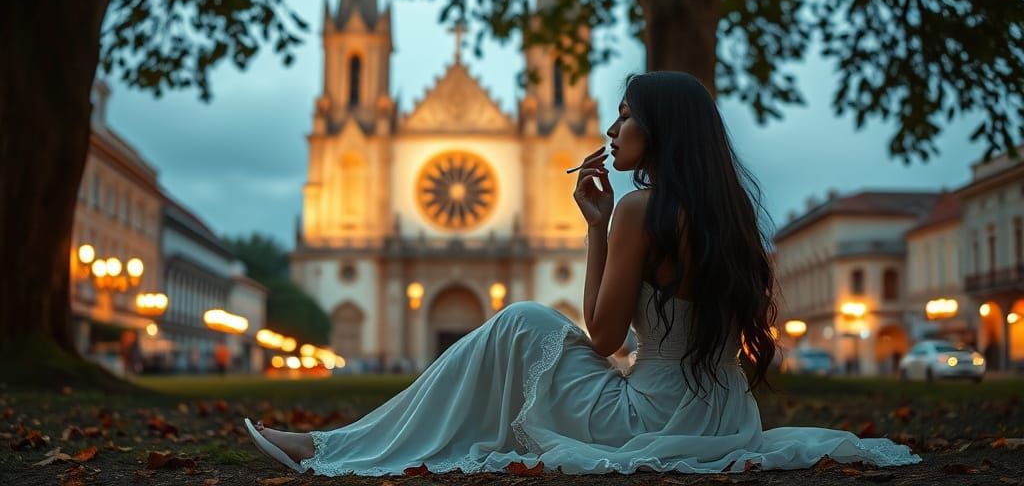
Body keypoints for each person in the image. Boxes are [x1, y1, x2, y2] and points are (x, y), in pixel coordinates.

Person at [244, 72, 921, 476]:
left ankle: (326, 447)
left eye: (627, 114)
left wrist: (597, 225)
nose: (612, 123)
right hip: (723, 418)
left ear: (659, 131)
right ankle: (339, 442)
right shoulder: (727, 209)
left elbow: (601, 336)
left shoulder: (639, 210)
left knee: (518, 322)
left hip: (650, 418)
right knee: (524, 327)